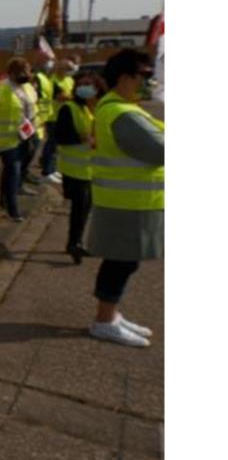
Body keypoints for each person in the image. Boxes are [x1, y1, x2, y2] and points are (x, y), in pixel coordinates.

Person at [84, 49, 163, 347]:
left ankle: (111, 315)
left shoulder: (123, 108)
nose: (148, 82)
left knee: (124, 262)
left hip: (130, 201)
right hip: (126, 202)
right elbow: (159, 149)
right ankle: (104, 320)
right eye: (143, 75)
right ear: (124, 77)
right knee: (120, 262)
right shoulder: (121, 112)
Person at [0, 57, 36, 222]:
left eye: (27, 71)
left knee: (11, 172)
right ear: (11, 73)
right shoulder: (3, 89)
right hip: (6, 139)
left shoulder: (29, 88)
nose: (25, 75)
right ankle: (13, 209)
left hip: (24, 136)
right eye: (21, 72)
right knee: (13, 172)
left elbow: (31, 109)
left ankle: (4, 200)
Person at [54, 71, 104, 263]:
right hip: (74, 169)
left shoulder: (87, 109)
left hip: (88, 169)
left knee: (84, 209)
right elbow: (61, 137)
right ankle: (75, 243)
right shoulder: (69, 108)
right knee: (79, 208)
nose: (86, 88)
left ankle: (75, 242)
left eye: (90, 85)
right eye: (82, 84)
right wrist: (83, 139)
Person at [31, 49, 61, 184]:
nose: (50, 63)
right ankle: (46, 171)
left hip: (45, 117)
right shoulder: (37, 76)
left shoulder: (46, 78)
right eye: (48, 60)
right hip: (36, 118)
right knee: (36, 147)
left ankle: (49, 170)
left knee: (43, 145)